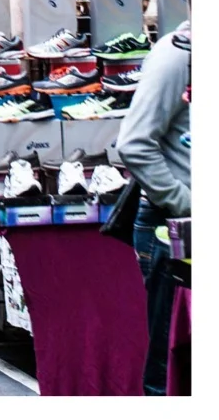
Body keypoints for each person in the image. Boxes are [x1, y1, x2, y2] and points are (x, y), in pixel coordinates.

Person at [115, 21, 191, 395]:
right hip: (173, 226)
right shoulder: (179, 55)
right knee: (171, 364)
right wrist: (187, 203)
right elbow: (134, 145)